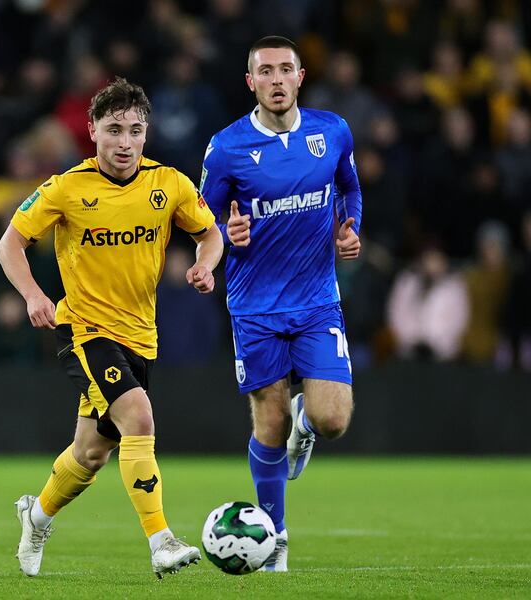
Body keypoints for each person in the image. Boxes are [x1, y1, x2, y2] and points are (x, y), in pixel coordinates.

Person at [0, 77, 223, 578]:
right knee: (138, 417)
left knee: (92, 452)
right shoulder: (66, 188)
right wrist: (35, 296)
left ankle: (36, 517)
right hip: (84, 329)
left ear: (146, 134)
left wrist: (205, 264)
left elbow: (211, 233)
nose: (125, 141)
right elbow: (9, 244)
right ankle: (162, 540)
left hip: (141, 336)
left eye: (135, 130)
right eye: (114, 129)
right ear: (92, 131)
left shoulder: (170, 184)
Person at [200, 36, 363, 572]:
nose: (275, 79)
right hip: (255, 308)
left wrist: (350, 229)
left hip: (317, 299)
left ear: (300, 76)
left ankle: (306, 422)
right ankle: (276, 539)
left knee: (332, 418)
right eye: (264, 71)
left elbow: (350, 189)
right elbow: (201, 221)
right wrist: (227, 231)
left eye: (284, 70)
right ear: (250, 82)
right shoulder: (225, 148)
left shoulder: (332, 131)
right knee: (267, 427)